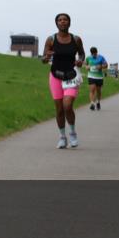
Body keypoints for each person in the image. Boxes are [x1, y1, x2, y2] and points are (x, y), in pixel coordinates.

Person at [41, 13, 86, 149]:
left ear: (69, 23)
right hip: (55, 76)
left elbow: (82, 53)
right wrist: (46, 57)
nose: (62, 22)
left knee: (67, 105)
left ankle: (72, 133)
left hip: (71, 76)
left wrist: (80, 60)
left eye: (65, 20)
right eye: (59, 20)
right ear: (56, 23)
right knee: (59, 109)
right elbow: (44, 59)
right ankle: (62, 137)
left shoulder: (76, 39)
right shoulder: (51, 39)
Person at [85, 47, 108, 111]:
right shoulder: (88, 58)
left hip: (99, 77)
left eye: (95, 54)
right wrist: (87, 67)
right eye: (92, 54)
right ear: (91, 53)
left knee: (98, 91)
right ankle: (92, 104)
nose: (93, 55)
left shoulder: (101, 57)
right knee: (92, 89)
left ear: (96, 52)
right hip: (91, 76)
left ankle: (98, 102)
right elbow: (86, 65)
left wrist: (101, 66)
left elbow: (106, 65)